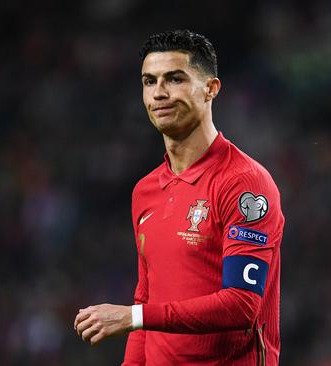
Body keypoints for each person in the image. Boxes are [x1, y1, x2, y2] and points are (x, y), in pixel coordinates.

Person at [74, 29, 285, 365]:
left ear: (210, 89)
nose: (159, 93)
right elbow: (146, 295)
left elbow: (242, 305)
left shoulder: (244, 184)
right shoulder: (145, 191)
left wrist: (133, 317)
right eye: (149, 81)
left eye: (174, 79)